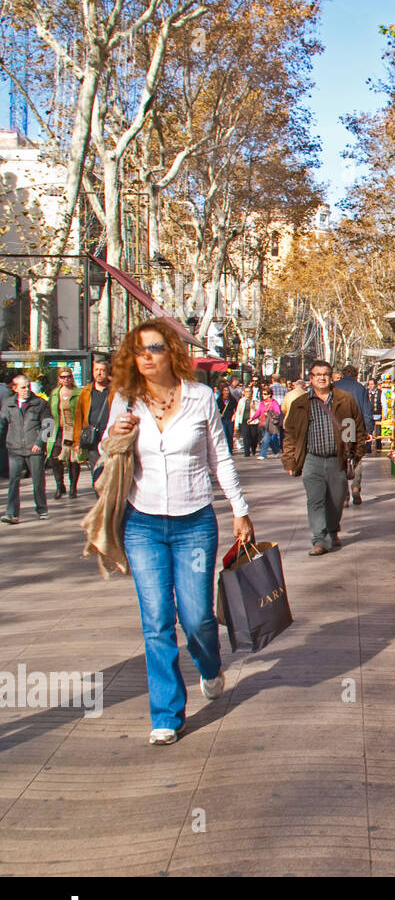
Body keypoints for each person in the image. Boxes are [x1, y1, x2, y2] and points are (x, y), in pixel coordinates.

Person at [103, 318, 254, 745]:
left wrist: (239, 509)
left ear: (173, 352)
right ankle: (167, 714)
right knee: (156, 621)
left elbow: (219, 457)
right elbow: (104, 448)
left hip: (194, 521)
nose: (146, 356)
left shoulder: (201, 397)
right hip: (142, 522)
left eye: (154, 348)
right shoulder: (126, 399)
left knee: (197, 618)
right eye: (138, 350)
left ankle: (209, 666)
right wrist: (114, 434)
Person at [282, 359, 364, 556]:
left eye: (325, 374)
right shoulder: (300, 403)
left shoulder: (345, 400)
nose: (321, 378)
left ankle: (333, 530)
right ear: (311, 378)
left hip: (337, 459)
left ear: (331, 377)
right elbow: (290, 434)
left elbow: (354, 429)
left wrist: (355, 453)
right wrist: (289, 460)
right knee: (315, 500)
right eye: (317, 375)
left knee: (336, 500)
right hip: (312, 458)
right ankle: (320, 539)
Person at [2, 374, 54, 523]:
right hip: (15, 448)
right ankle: (12, 513)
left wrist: (39, 442)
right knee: (13, 481)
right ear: (15, 388)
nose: (26, 390)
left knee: (38, 481)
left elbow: (49, 425)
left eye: (28, 386)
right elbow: (2, 423)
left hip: (34, 449)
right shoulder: (8, 404)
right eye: (23, 387)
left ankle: (42, 509)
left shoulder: (40, 403)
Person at [333, 365, 374, 506]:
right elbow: (367, 411)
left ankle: (344, 494)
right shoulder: (360, 388)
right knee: (357, 457)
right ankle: (356, 487)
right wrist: (369, 429)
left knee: (340, 459)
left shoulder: (333, 387)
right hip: (356, 426)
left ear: (342, 374)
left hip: (338, 427)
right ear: (356, 374)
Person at [75, 357, 112, 484]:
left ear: (107, 372)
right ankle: (100, 500)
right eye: (96, 369)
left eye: (102, 370)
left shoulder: (114, 391)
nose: (99, 373)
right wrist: (76, 441)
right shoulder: (86, 392)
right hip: (93, 439)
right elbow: (79, 416)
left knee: (110, 473)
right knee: (97, 474)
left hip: (110, 438)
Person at [50, 368, 82, 499]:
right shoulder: (55, 394)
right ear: (59, 379)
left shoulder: (78, 393)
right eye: (63, 377)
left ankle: (73, 487)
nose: (66, 379)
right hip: (59, 430)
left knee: (73, 459)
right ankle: (59, 485)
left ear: (72, 378)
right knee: (55, 457)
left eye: (68, 376)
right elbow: (49, 415)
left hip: (73, 430)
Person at [251, 390, 282, 459]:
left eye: (265, 394)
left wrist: (268, 413)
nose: (263, 395)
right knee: (269, 439)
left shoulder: (274, 403)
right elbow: (258, 412)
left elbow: (278, 413)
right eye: (263, 394)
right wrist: (252, 418)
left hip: (270, 424)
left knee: (265, 439)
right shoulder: (262, 403)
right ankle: (276, 451)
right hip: (262, 423)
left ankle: (263, 454)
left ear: (269, 395)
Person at [234, 386, 258, 456]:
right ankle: (246, 452)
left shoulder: (255, 400)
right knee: (246, 436)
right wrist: (236, 424)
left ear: (252, 393)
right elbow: (238, 412)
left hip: (253, 421)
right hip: (244, 420)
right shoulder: (241, 401)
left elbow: (259, 411)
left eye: (249, 391)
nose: (248, 393)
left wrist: (254, 408)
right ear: (244, 393)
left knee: (254, 436)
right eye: (246, 391)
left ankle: (253, 449)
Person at [215, 382, 237, 454]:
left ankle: (230, 449)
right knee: (225, 434)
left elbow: (236, 409)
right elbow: (216, 409)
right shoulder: (219, 400)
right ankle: (226, 449)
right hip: (223, 419)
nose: (226, 392)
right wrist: (219, 414)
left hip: (230, 419)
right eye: (224, 391)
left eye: (227, 390)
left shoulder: (232, 400)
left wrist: (234, 415)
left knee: (230, 434)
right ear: (222, 392)